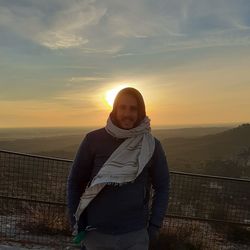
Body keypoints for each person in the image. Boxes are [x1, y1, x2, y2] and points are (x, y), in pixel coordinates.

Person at [67, 87, 170, 250]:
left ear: (140, 111)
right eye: (122, 107)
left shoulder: (151, 146)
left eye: (133, 109)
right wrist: (76, 221)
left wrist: (154, 227)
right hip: (96, 235)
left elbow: (163, 186)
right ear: (115, 109)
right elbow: (75, 182)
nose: (127, 114)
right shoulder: (93, 140)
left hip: (135, 236)